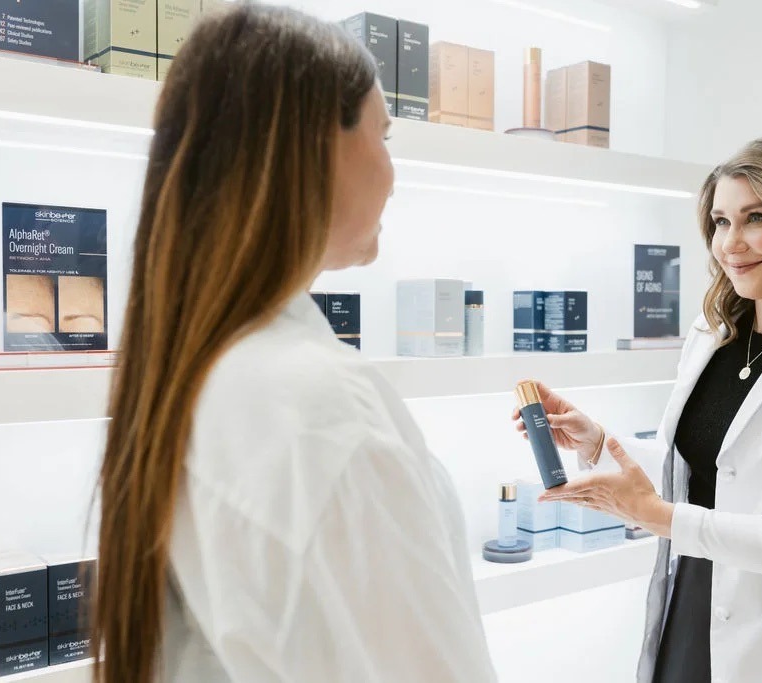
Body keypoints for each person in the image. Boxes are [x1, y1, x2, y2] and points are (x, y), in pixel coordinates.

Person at [92, 6, 496, 683]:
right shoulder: (319, 407)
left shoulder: (207, 367)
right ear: (314, 145)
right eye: (382, 136)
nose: (392, 173)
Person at [514, 136, 762, 683]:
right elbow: (702, 476)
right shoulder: (712, 335)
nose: (730, 243)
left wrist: (660, 518)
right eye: (721, 222)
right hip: (694, 595)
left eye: (755, 218)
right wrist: (599, 444)